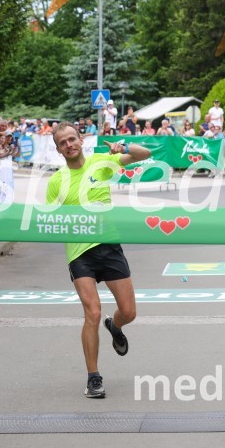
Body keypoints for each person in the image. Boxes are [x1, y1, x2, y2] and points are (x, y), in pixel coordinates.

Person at [45, 122, 151, 398]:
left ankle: (114, 326)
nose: (69, 145)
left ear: (81, 140)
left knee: (129, 312)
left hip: (108, 245)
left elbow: (145, 154)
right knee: (91, 312)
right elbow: (49, 218)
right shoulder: (56, 181)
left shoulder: (100, 163)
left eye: (72, 139)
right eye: (63, 143)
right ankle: (94, 377)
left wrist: (123, 147)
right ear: (58, 150)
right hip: (79, 253)